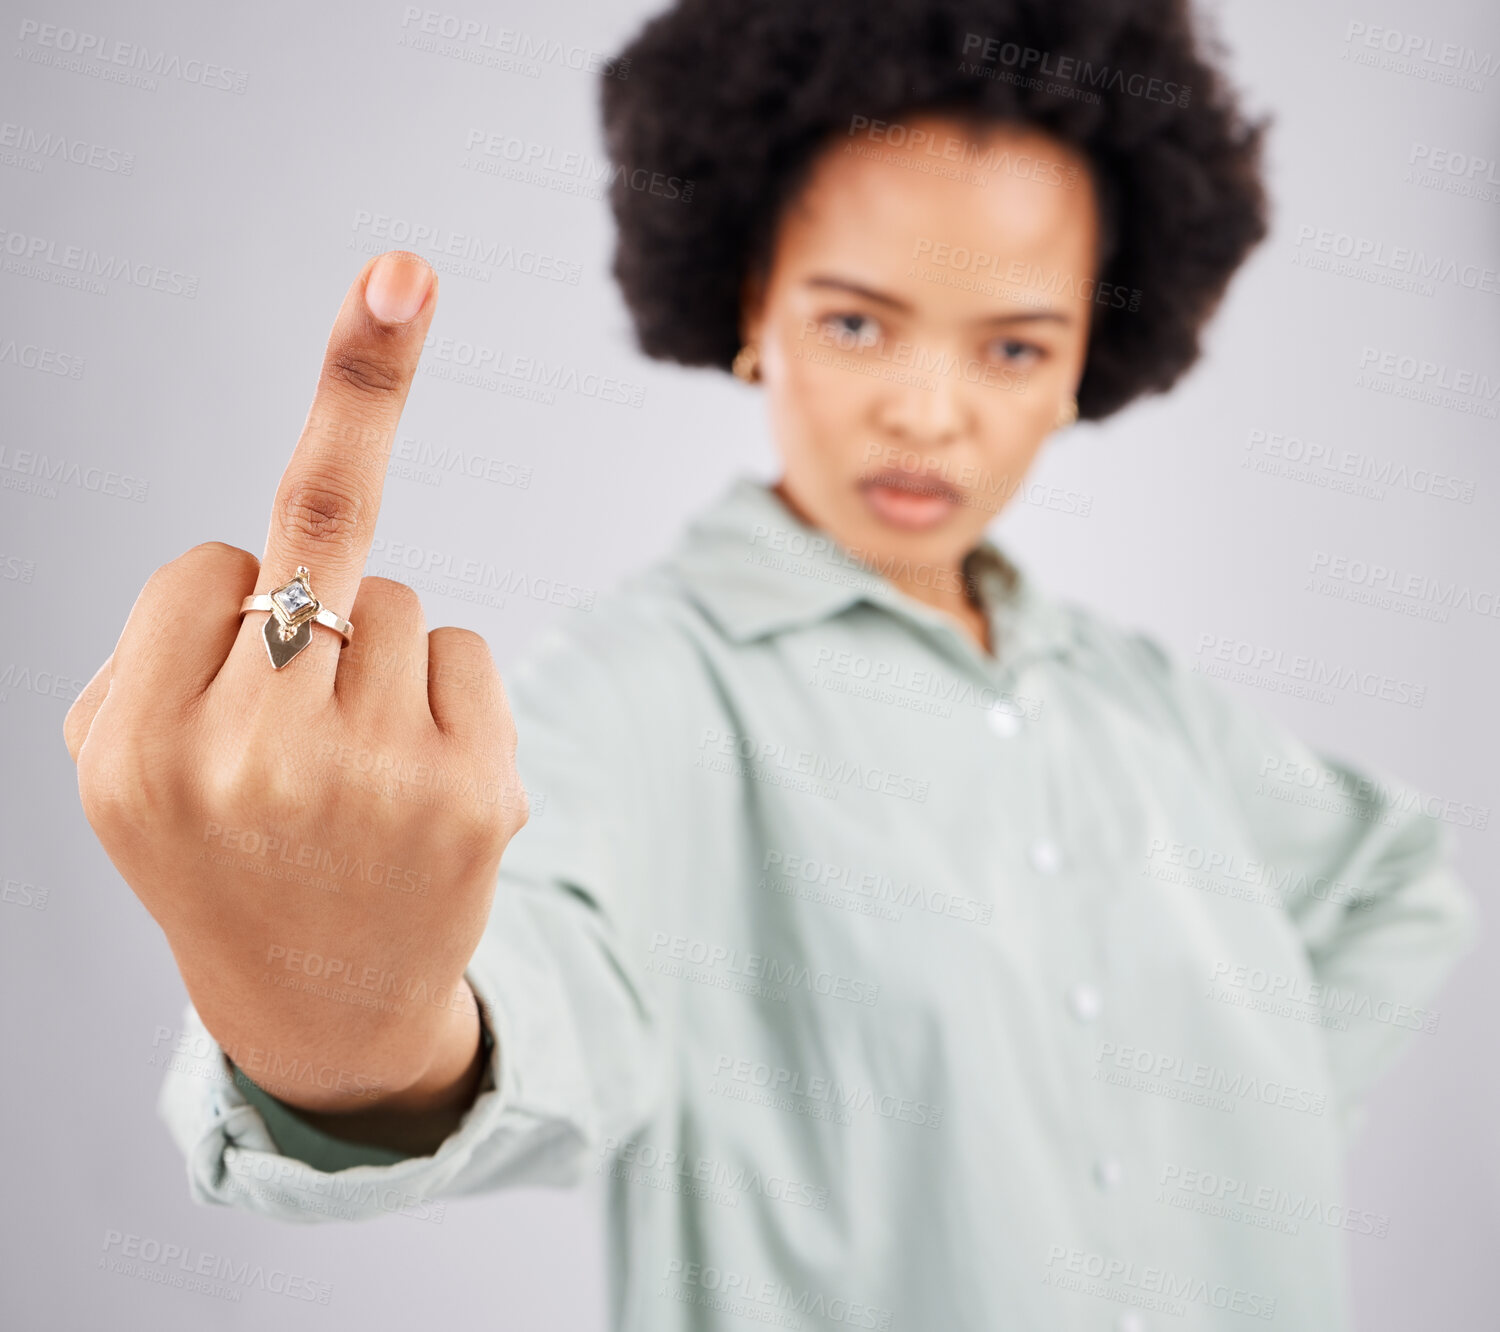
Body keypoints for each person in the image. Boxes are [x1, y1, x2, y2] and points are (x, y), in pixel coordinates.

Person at [64, 2, 1477, 1329]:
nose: (929, 411)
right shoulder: (650, 692)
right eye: (858, 321)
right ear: (752, 303)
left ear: (1084, 363)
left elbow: (1393, 886)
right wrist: (341, 1013)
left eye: (1013, 346)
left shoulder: (1139, 699)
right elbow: (524, 981)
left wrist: (1234, 1131)